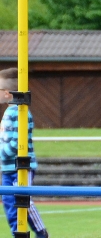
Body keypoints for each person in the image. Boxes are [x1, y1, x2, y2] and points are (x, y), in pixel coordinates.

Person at [0, 68, 49, 238]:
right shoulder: (8, 112)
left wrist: (1, 154)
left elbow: (16, 142)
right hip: (7, 168)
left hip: (21, 166)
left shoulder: (20, 113)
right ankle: (18, 234)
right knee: (8, 203)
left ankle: (41, 233)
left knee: (23, 201)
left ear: (7, 93)